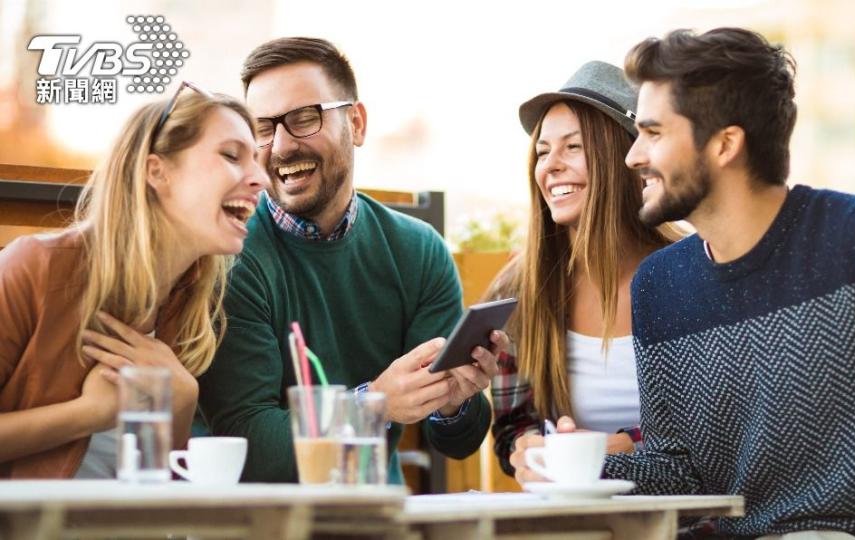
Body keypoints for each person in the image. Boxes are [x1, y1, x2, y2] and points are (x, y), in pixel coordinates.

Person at [520, 28, 855, 539]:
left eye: (655, 133)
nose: (632, 156)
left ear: (725, 144)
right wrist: (577, 467)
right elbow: (678, 473)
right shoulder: (660, 286)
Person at [197, 37, 506, 484]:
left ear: (356, 123)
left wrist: (454, 402)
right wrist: (373, 404)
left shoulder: (419, 250)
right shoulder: (230, 255)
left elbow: (458, 442)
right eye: (263, 128)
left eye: (304, 118)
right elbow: (247, 443)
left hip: (377, 516)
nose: (281, 147)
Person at [0, 84, 268, 478]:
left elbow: (162, 495)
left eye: (258, 161)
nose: (260, 178)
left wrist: (180, 399)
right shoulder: (37, 267)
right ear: (156, 171)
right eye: (231, 155)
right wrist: (90, 413)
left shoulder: (189, 305)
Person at [484, 61, 680, 480]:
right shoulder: (519, 287)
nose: (550, 165)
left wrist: (622, 448)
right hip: (577, 512)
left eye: (572, 147)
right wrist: (527, 450)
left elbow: (719, 426)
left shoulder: (692, 273)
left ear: (626, 157)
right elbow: (511, 427)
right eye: (542, 151)